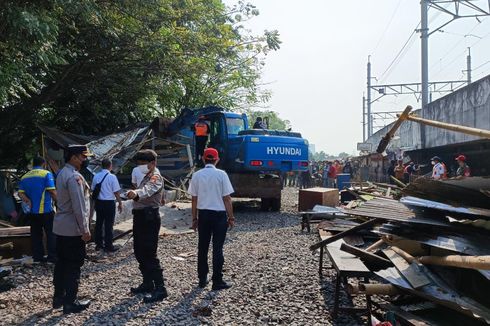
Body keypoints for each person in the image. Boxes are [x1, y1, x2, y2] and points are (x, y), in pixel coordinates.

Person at [52, 145, 93, 314]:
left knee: (61, 264)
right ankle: (70, 302)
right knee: (73, 265)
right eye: (83, 157)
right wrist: (85, 229)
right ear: (74, 157)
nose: (85, 160)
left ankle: (58, 298)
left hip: (61, 227)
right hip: (72, 229)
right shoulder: (74, 177)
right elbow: (79, 206)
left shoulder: (62, 173)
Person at [188, 148, 235, 291]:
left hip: (204, 215)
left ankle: (202, 279)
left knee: (202, 247)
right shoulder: (221, 174)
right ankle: (217, 281)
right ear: (217, 159)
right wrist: (231, 217)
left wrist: (194, 218)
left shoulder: (197, 175)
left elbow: (194, 199)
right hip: (219, 216)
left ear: (203, 159)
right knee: (217, 248)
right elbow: (227, 198)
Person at [126, 149, 167, 303]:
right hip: (140, 216)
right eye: (139, 164)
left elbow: (146, 191)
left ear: (153, 163)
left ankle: (161, 288)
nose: (140, 166)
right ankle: (147, 282)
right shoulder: (145, 175)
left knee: (149, 252)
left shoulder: (156, 176)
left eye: (143, 164)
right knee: (139, 251)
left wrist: (135, 194)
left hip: (149, 217)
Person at [18, 156, 57, 263]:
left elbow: (20, 193)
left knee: (36, 235)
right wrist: (60, 204)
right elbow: (52, 191)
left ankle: (38, 257)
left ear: (33, 164)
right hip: (46, 210)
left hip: (32, 212)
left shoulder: (25, 176)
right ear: (43, 164)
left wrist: (28, 201)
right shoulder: (46, 174)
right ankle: (52, 257)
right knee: (51, 233)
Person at [91, 159, 123, 252]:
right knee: (109, 224)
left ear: (102, 166)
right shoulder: (112, 177)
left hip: (99, 203)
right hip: (109, 203)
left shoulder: (96, 176)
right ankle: (108, 246)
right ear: (110, 166)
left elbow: (93, 189)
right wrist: (120, 203)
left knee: (99, 223)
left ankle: (99, 245)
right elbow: (116, 192)